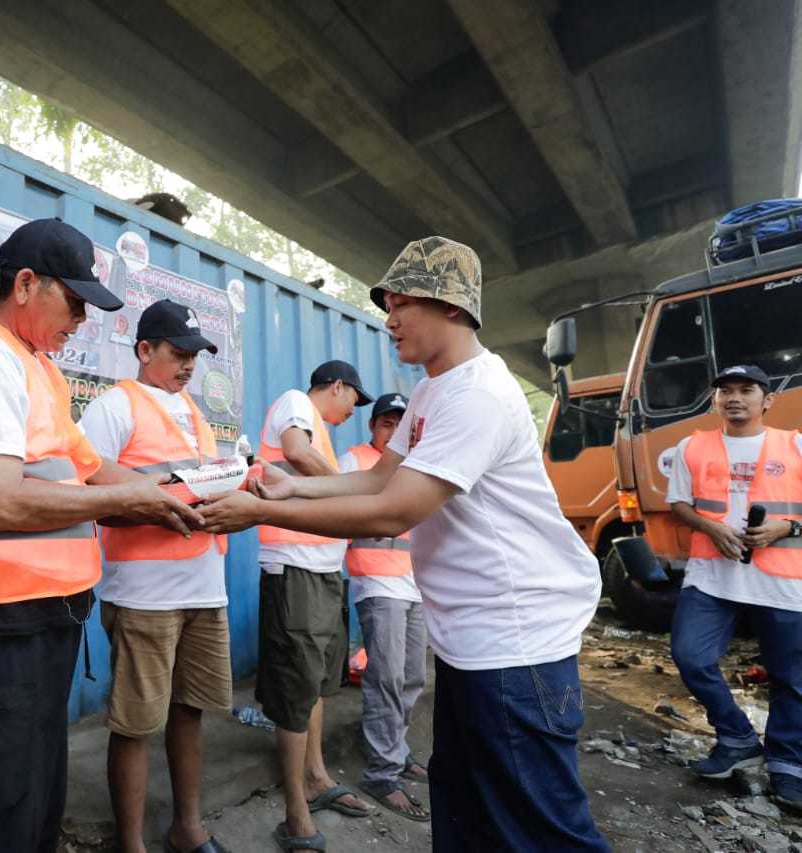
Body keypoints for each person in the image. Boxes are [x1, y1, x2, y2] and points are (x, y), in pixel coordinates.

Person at [202, 236, 608, 852]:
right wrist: (287, 494)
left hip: (516, 643)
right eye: (386, 304)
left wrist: (258, 510)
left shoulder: (478, 394)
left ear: (453, 306)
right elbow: (374, 478)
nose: (388, 320)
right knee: (466, 806)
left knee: (541, 828)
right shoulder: (430, 390)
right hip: (475, 642)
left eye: (403, 303)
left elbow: (392, 511)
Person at [0, 219, 204, 852]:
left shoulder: (37, 367)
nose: (81, 320)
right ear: (25, 284)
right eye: (73, 303)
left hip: (42, 616)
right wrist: (127, 499)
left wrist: (174, 492)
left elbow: (92, 464)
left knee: (30, 793)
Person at [78, 298, 232, 853]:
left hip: (204, 589)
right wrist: (161, 501)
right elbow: (89, 493)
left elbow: (204, 486)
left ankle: (187, 829)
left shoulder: (194, 415)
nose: (189, 364)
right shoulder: (113, 407)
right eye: (178, 352)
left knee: (190, 709)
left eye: (195, 355)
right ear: (144, 350)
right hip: (144, 596)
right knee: (136, 723)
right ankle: (131, 844)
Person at [666, 364, 802, 810]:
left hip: (783, 581)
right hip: (712, 577)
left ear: (768, 400)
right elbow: (680, 505)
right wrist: (711, 527)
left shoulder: (796, 444)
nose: (735, 397)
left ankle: (788, 763)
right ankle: (737, 737)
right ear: (714, 400)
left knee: (792, 678)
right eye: (725, 390)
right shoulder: (693, 446)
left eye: (747, 390)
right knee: (691, 656)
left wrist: (785, 526)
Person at [256, 359, 374, 849]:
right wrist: (349, 495)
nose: (353, 412)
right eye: (354, 401)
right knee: (295, 690)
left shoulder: (321, 428)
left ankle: (317, 775)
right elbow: (295, 453)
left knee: (321, 683)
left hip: (324, 570)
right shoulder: (296, 403)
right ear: (338, 387)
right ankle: (295, 812)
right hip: (294, 567)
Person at [336, 392, 429, 823]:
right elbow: (342, 513)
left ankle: (397, 748)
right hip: (377, 583)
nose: (392, 430)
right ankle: (381, 770)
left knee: (413, 677)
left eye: (400, 423)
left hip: (415, 585)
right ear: (373, 427)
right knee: (386, 675)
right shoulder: (355, 462)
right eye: (385, 423)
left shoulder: (417, 470)